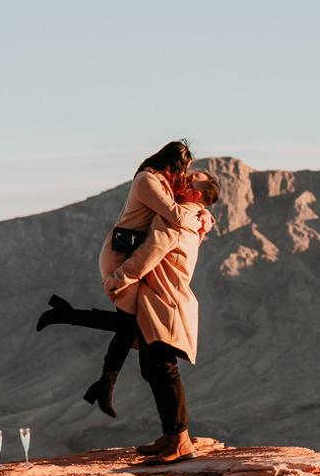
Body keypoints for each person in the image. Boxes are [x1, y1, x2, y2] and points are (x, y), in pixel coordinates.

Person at [37, 140, 207, 418]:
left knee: (130, 325)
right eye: (183, 171)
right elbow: (176, 216)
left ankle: (101, 381)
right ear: (169, 166)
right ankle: (71, 326)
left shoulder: (162, 184)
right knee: (128, 325)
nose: (184, 177)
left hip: (127, 256)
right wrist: (200, 217)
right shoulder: (148, 181)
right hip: (119, 258)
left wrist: (202, 212)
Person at [103, 173, 219, 464]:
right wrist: (204, 213)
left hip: (165, 306)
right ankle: (171, 435)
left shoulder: (176, 222)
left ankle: (180, 441)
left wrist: (117, 280)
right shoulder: (189, 216)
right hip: (162, 304)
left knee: (164, 370)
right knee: (153, 369)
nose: (184, 179)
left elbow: (148, 255)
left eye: (191, 181)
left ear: (194, 196)